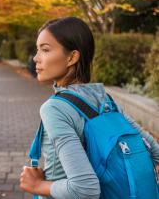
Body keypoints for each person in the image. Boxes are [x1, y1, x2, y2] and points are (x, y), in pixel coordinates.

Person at [19, 17, 159, 198]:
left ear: (72, 57)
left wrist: (37, 185)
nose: (36, 58)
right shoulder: (106, 101)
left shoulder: (55, 108)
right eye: (37, 50)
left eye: (45, 50)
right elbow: (155, 152)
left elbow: (85, 188)